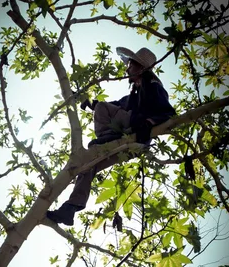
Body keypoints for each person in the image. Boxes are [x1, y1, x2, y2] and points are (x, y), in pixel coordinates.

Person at [47, 47, 176, 226]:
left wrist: (149, 122)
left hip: (137, 135)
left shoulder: (153, 86)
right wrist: (90, 103)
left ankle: (107, 138)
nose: (127, 69)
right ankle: (71, 208)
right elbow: (114, 105)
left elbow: (168, 113)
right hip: (125, 145)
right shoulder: (133, 94)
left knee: (101, 109)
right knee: (87, 165)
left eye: (130, 65)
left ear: (140, 67)